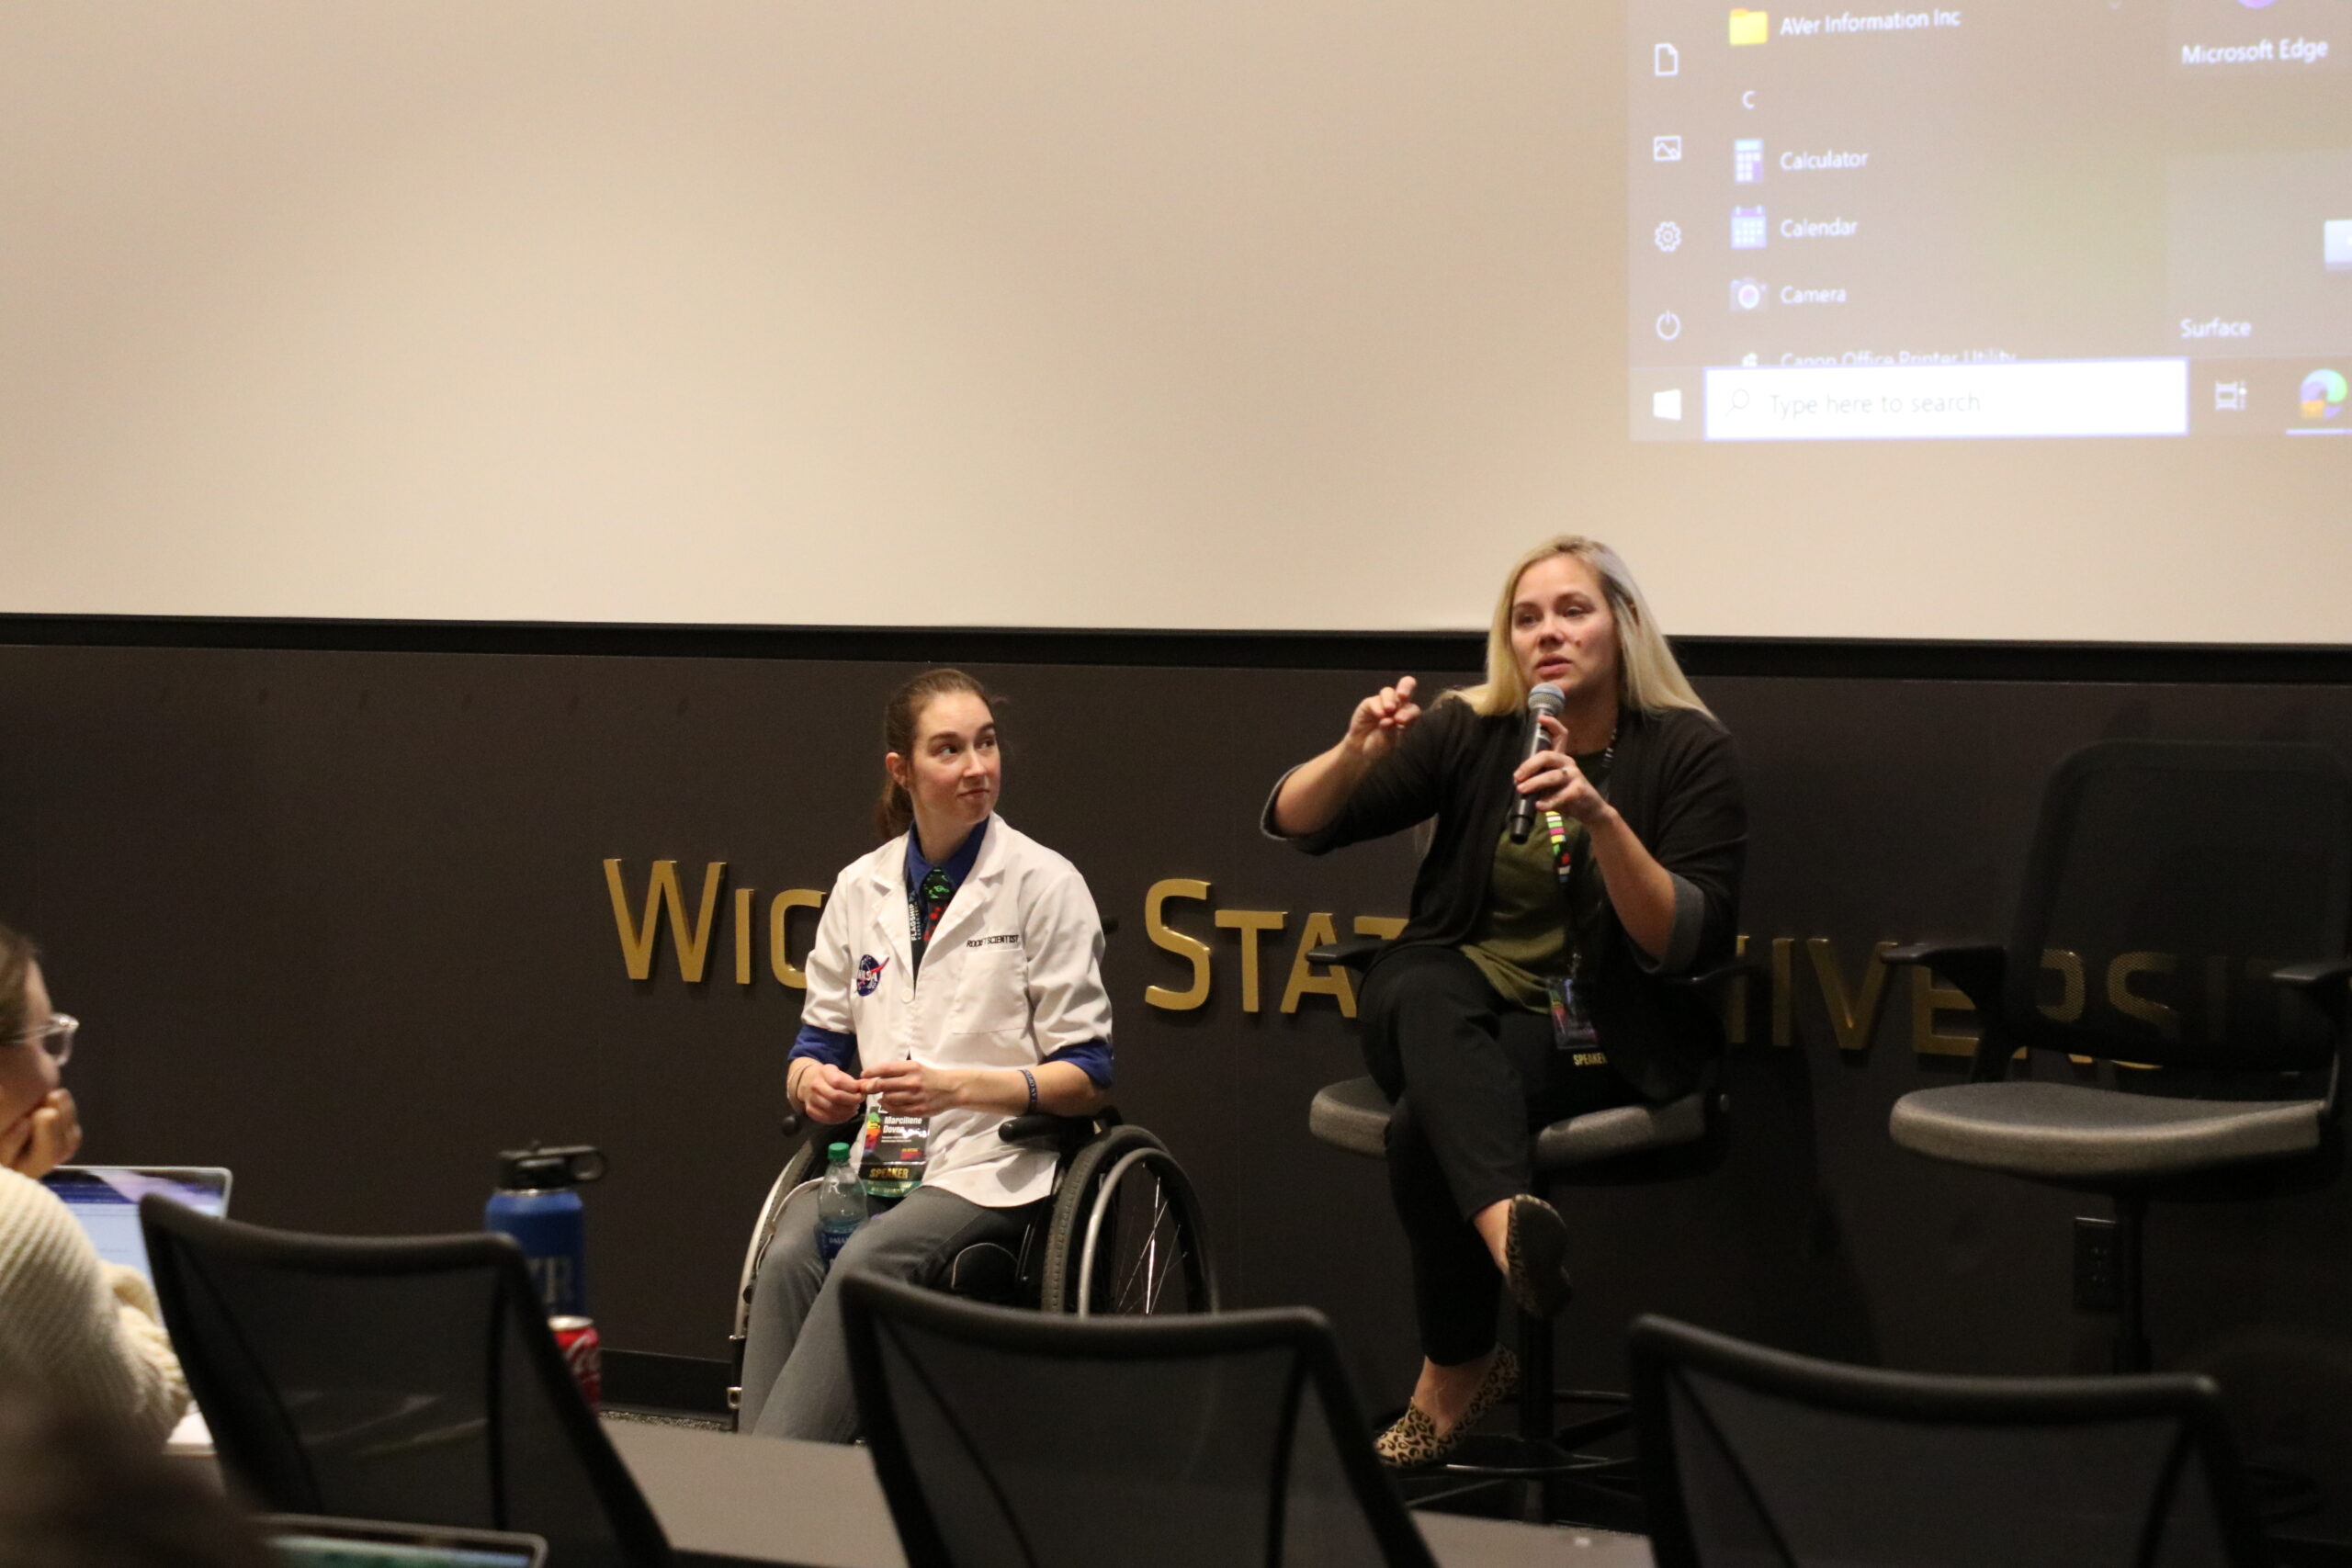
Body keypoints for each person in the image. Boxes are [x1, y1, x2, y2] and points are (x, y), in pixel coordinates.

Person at [1265, 536, 1745, 1466]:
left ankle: (1456, 1371)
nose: (1547, 635)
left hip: (1602, 1020)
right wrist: (1355, 750)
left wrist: (1599, 819)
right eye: (1526, 618)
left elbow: (1684, 936)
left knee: (1420, 1125)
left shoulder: (1688, 751)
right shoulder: (1473, 728)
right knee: (1415, 986)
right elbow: (1298, 823)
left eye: (1573, 611)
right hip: (1456, 986)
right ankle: (1507, 1229)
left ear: (1625, 625)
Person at [739, 669, 1114, 1441]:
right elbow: (811, 1049)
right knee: (784, 1259)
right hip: (878, 1160)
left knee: (867, 1263)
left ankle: (765, 1496)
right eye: (949, 749)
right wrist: (815, 1086)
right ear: (901, 771)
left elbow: (1089, 1077)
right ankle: (769, 1486)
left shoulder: (1044, 884)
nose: (978, 765)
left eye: (986, 742)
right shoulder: (859, 887)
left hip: (995, 1166)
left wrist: (955, 1088)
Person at [0, 923, 189, 1444]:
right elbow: (147, 1408)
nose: (55, 1075)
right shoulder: (15, 1215)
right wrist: (22, 1193)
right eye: (45, 1042)